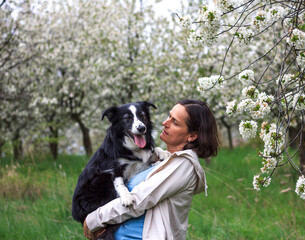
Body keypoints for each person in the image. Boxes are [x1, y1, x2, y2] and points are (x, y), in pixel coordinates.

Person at [83, 99, 219, 240]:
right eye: (169, 116)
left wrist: (93, 220)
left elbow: (139, 200)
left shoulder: (183, 165)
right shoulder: (162, 160)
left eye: (175, 122)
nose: (165, 123)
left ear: (192, 136)